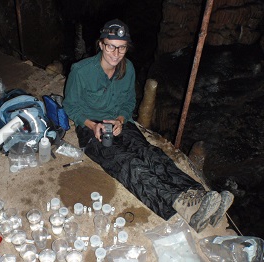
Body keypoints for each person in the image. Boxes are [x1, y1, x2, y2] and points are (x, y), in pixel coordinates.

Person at [63, 18, 234, 233]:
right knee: (128, 162)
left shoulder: (128, 69)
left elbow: (128, 103)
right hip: (91, 129)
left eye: (122, 48)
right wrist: (91, 124)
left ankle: (198, 195)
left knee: (150, 153)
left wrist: (121, 120)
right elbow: (70, 105)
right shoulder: (81, 71)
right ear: (101, 44)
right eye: (111, 47)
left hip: (119, 123)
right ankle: (185, 207)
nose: (116, 53)